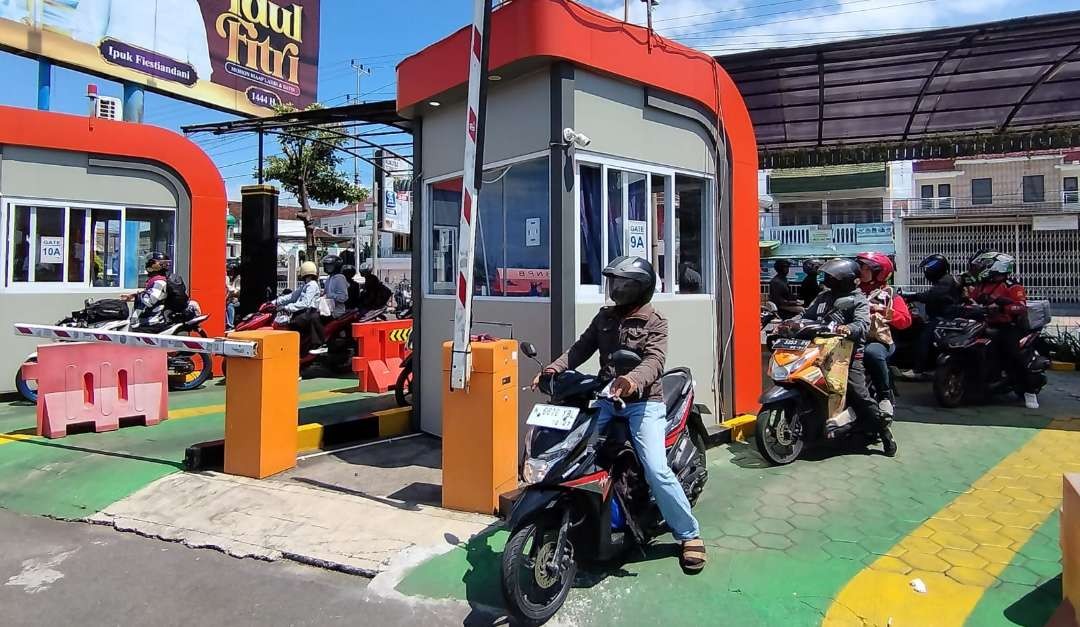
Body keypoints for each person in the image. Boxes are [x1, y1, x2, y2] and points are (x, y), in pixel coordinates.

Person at [536, 256, 706, 572]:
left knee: (655, 468)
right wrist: (553, 369)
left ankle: (688, 534)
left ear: (639, 289)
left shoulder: (655, 320)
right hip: (606, 397)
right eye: (612, 282)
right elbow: (579, 349)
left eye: (621, 283)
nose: (614, 289)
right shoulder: (605, 318)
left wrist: (631, 381)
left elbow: (655, 360)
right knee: (575, 451)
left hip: (644, 403)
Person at [791, 258, 897, 456]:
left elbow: (862, 324)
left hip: (847, 355)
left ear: (845, 279)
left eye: (832, 277)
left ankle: (884, 432)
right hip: (818, 350)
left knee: (858, 394)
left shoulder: (858, 299)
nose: (828, 279)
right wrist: (791, 323)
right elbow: (807, 315)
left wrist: (848, 328)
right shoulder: (824, 297)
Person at [967, 251, 1041, 409]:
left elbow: (1021, 306)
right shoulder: (982, 285)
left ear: (997, 266)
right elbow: (970, 301)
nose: (981, 268)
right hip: (983, 324)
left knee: (1013, 355)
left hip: (1008, 327)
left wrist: (1002, 305)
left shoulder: (1013, 286)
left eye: (985, 265)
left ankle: (1029, 391)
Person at [855, 253, 911, 419]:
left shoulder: (889, 294)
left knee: (872, 353)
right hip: (851, 338)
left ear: (879, 272)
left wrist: (882, 311)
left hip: (878, 340)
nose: (861, 271)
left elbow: (905, 321)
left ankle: (884, 397)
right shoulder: (852, 291)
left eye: (866, 268)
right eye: (861, 267)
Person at [903, 254, 962, 376]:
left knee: (923, 339)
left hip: (944, 318)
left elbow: (932, 295)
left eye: (929, 268)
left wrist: (911, 296)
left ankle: (918, 370)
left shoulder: (946, 280)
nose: (927, 271)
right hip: (941, 317)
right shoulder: (945, 280)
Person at [123, 252, 195, 332]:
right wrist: (134, 296)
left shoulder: (159, 281)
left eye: (150, 263)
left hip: (150, 323)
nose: (147, 265)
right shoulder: (158, 279)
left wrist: (138, 296)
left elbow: (149, 301)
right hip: (148, 322)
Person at [270, 261, 323, 353]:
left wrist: (286, 307)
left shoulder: (312, 285)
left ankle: (295, 349)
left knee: (291, 324)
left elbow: (305, 303)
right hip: (303, 312)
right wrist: (275, 302)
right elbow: (292, 296)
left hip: (308, 313)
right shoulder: (305, 285)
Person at [321, 254, 351, 319]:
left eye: (330, 265)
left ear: (336, 266)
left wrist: (329, 295)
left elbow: (343, 297)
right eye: (326, 265)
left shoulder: (340, 278)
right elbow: (325, 294)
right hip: (327, 309)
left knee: (314, 319)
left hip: (337, 311)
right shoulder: (329, 278)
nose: (328, 267)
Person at [225, 261, 241, 330]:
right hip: (231, 298)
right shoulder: (231, 278)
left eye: (231, 270)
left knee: (230, 305)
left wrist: (228, 286)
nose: (230, 272)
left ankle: (230, 324)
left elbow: (237, 291)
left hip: (237, 299)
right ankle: (227, 322)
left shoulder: (239, 278)